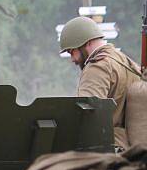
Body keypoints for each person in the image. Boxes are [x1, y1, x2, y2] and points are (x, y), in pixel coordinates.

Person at [59, 16, 141, 150]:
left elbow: (87, 118)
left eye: (71, 51)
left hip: (109, 148)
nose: (72, 59)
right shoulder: (125, 61)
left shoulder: (97, 67)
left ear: (86, 43)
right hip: (132, 146)